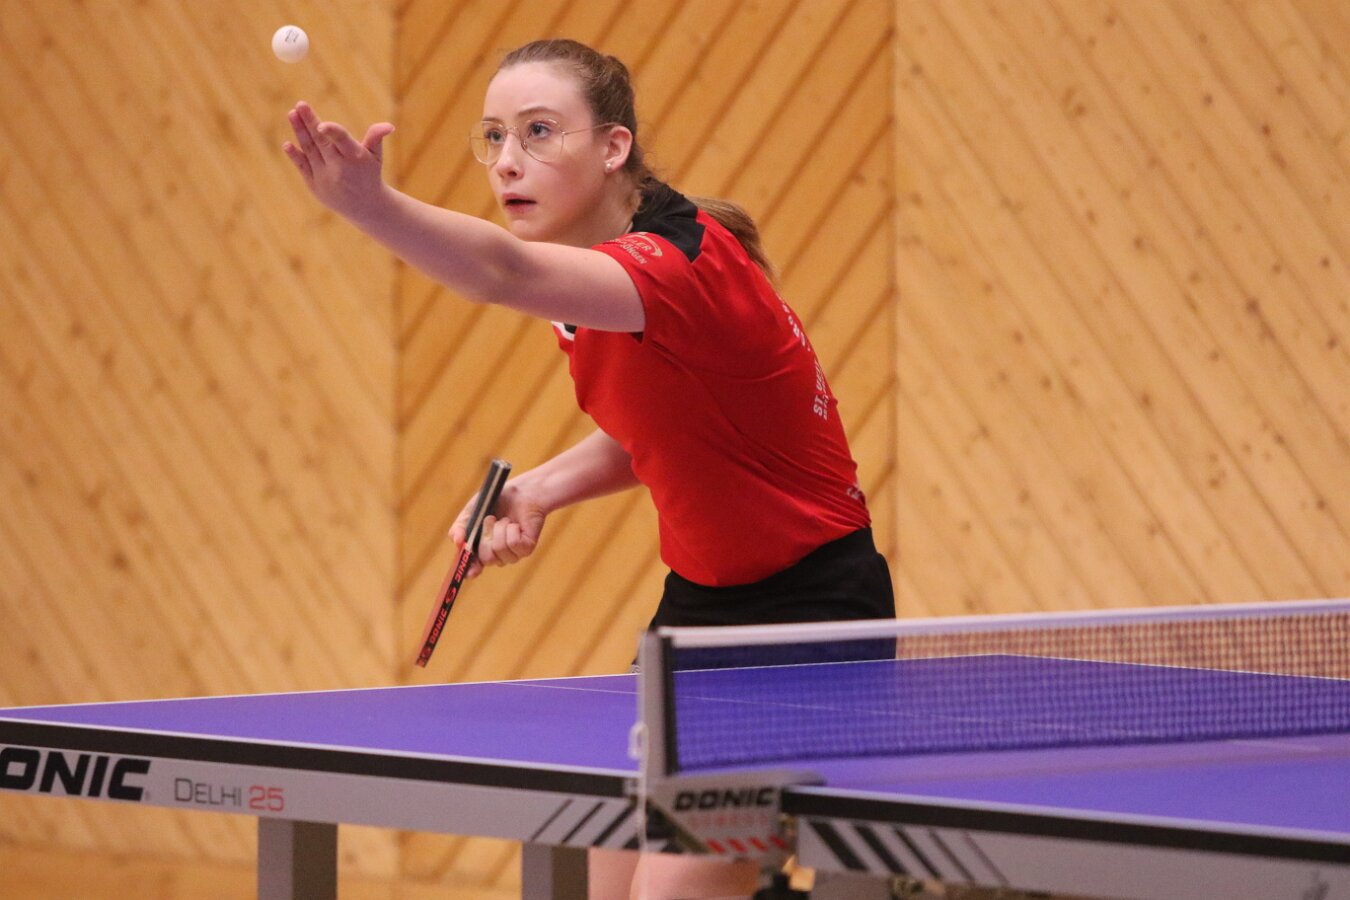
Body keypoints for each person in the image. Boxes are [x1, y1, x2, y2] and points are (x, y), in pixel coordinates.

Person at [283, 37, 893, 900]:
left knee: (668, 897)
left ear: (614, 147)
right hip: (695, 613)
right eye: (494, 136)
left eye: (539, 132)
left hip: (807, 620)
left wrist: (371, 206)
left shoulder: (677, 267)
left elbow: (498, 270)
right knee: (600, 882)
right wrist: (535, 490)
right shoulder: (591, 287)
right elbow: (664, 427)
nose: (508, 160)